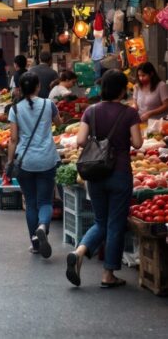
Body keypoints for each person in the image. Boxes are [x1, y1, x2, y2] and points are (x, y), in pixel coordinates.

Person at [66, 70, 143, 288]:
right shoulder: (129, 113)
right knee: (115, 223)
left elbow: (81, 140)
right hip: (120, 173)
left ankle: (79, 252)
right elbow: (138, 143)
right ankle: (108, 275)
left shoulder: (91, 111)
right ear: (122, 90)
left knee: (100, 221)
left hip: (96, 173)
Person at [5, 72, 62, 258]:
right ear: (38, 86)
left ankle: (35, 244)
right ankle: (43, 226)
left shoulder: (15, 109)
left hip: (25, 161)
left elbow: (13, 139)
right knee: (45, 201)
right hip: (47, 159)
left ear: (20, 89)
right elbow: (59, 124)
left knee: (30, 203)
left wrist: (9, 161)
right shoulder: (48, 104)